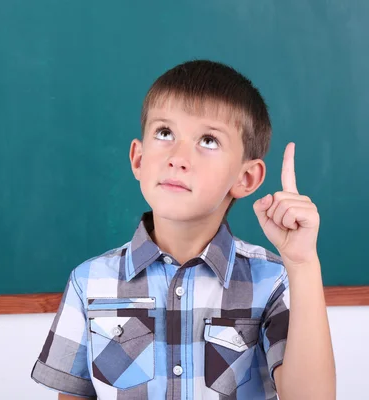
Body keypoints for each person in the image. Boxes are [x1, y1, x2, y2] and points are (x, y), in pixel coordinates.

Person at [31, 60, 336, 399]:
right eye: (165, 133)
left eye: (208, 140)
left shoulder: (273, 281)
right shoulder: (89, 281)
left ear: (245, 178)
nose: (178, 157)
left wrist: (303, 263)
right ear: (138, 158)